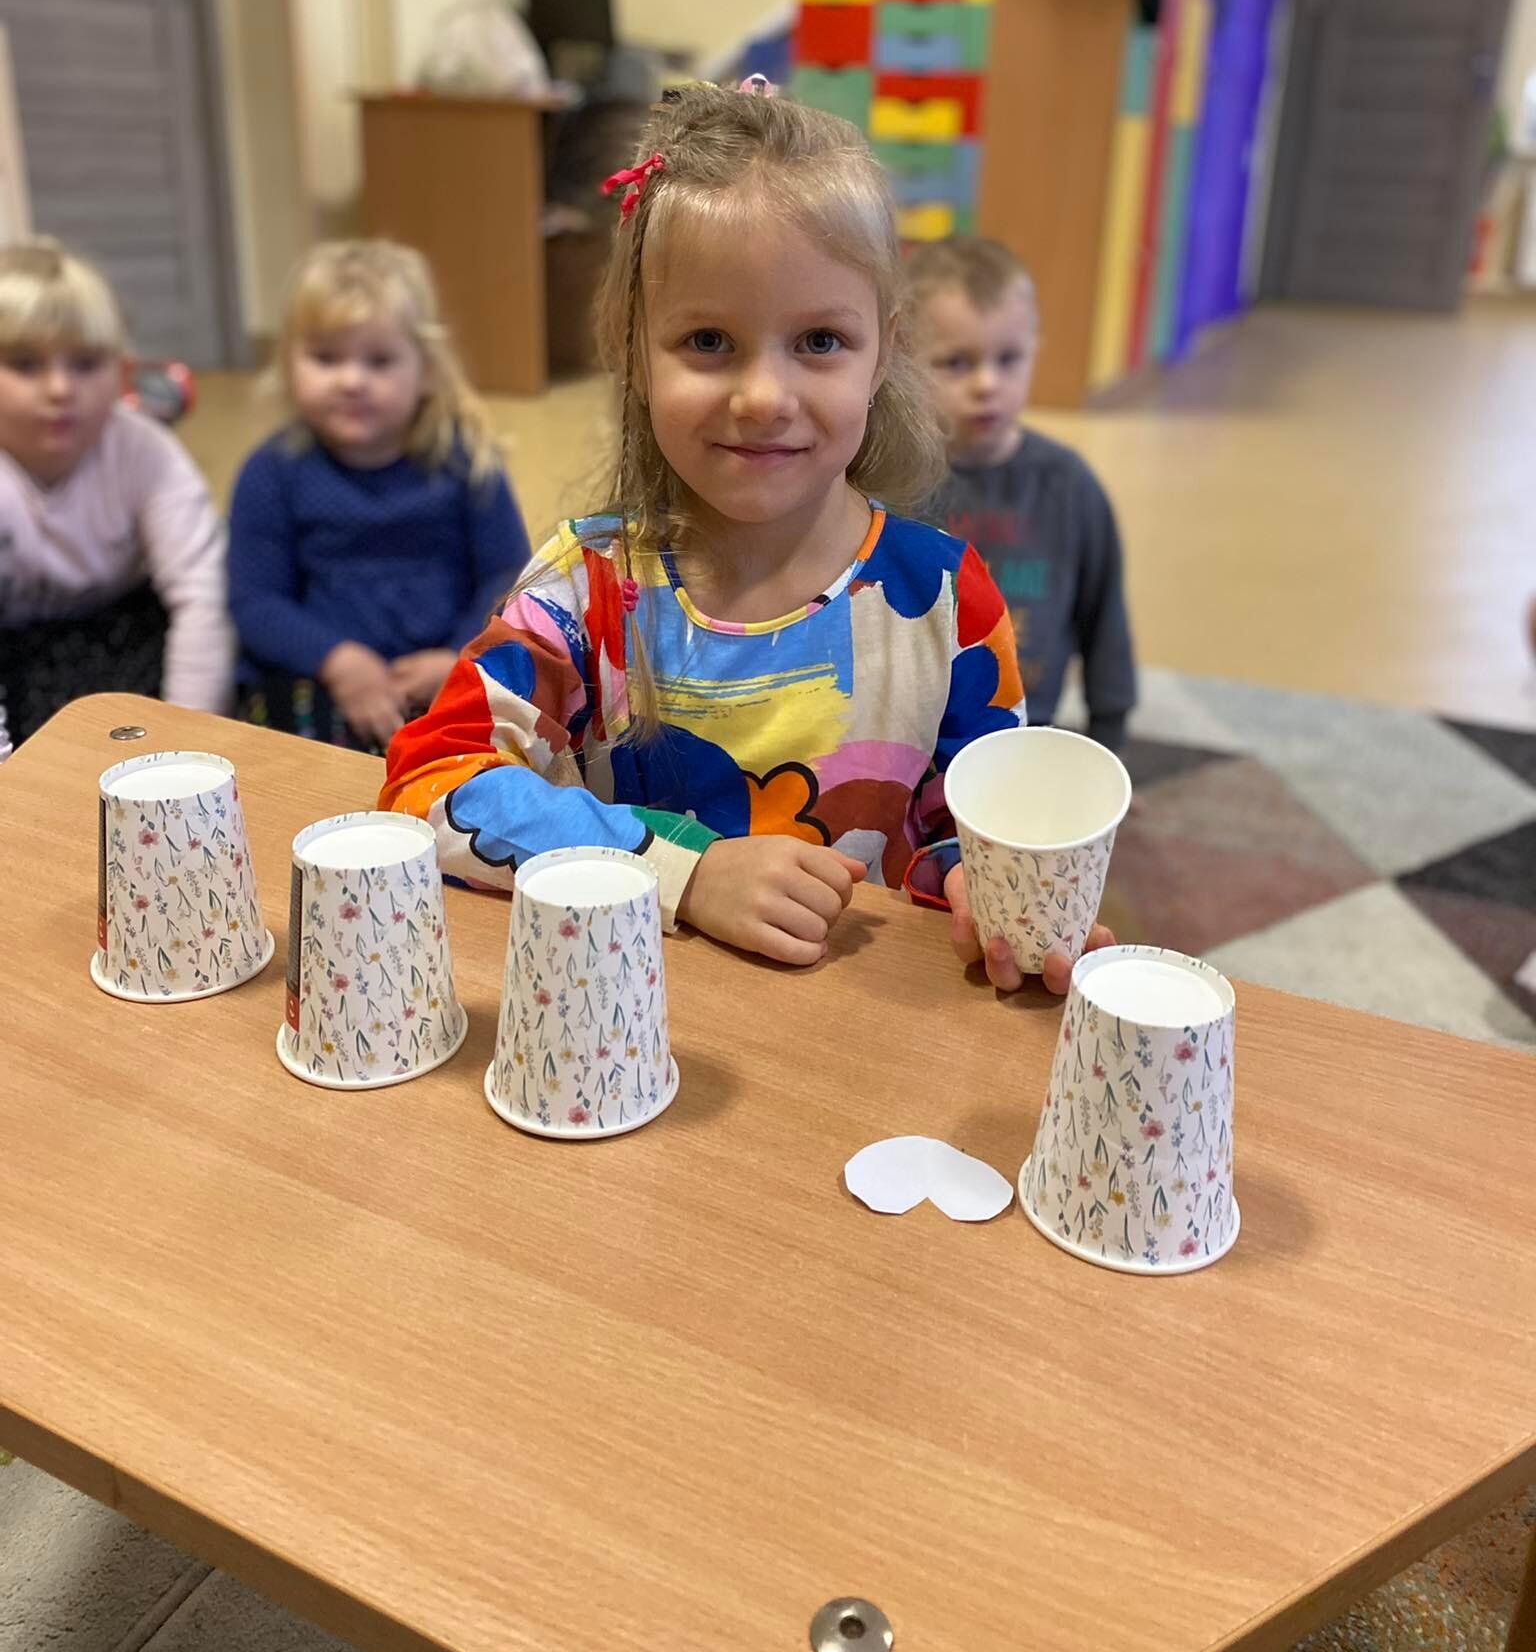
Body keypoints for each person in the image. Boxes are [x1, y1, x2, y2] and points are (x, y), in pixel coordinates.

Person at [381, 82, 1111, 994]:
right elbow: (429, 783)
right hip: (628, 1025)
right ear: (633, 349)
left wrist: (981, 893)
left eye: (819, 341)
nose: (764, 398)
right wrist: (682, 873)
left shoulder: (948, 604)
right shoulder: (583, 590)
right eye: (709, 340)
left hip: (852, 1032)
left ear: (884, 351)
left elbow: (956, 834)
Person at [229, 240, 530, 751]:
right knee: (285, 761)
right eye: (326, 358)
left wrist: (459, 656)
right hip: (317, 676)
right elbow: (256, 601)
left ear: (426, 370)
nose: (351, 381)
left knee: (508, 747)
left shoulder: (467, 463)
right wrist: (337, 661)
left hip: (448, 667)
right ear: (289, 364)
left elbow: (508, 579)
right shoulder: (271, 472)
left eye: (379, 361)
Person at [0, 237, 231, 760]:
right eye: (25, 365)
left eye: (85, 364)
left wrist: (185, 753)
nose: (60, 389)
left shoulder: (145, 450)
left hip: (122, 629)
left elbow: (202, 597)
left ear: (123, 373)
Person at [908, 237, 1136, 751]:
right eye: (956, 363)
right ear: (905, 359)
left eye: (1008, 359)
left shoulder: (1070, 486)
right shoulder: (892, 482)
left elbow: (1105, 621)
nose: (987, 384)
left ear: (1035, 352)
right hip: (915, 741)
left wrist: (1111, 736)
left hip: (1030, 738)